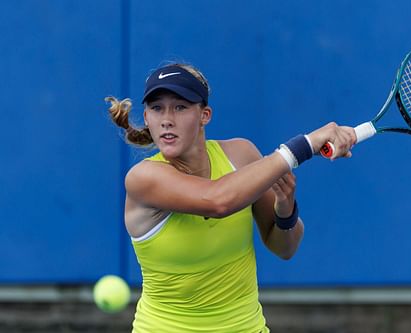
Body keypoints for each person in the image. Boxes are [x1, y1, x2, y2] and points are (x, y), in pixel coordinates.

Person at [106, 62, 356, 332]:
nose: (167, 118)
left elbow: (285, 248)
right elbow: (218, 201)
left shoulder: (241, 155)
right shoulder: (143, 178)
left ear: (205, 115)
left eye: (180, 107)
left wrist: (285, 210)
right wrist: (305, 145)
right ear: (146, 116)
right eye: (157, 108)